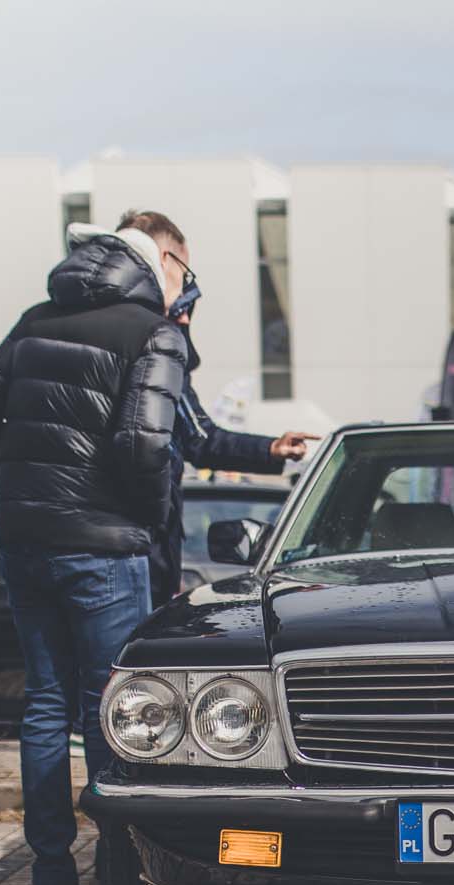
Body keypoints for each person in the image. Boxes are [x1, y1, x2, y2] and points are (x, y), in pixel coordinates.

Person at [0, 211, 299, 885]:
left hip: (24, 538)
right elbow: (147, 446)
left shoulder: (37, 319)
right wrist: (132, 516)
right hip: (104, 546)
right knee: (117, 709)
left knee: (46, 706)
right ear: (163, 263)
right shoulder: (153, 331)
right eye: (186, 272)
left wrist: (29, 479)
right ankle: (119, 883)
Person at [87, 213, 316, 601]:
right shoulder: (154, 339)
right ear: (163, 261)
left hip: (49, 544)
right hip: (129, 547)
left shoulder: (52, 321)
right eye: (184, 275)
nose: (185, 312)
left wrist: (269, 449)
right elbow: (191, 438)